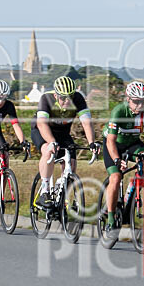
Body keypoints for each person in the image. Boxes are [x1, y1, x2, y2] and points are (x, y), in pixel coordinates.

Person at [103, 80, 144, 238]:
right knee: (115, 177)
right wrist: (117, 159)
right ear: (128, 98)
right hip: (114, 145)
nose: (140, 106)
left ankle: (134, 187)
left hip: (133, 143)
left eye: (143, 101)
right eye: (136, 102)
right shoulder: (119, 111)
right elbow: (110, 141)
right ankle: (111, 220)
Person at [31, 75, 99, 206]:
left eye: (70, 97)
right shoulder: (46, 98)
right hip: (42, 130)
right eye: (63, 98)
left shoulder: (78, 98)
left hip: (62, 132)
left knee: (71, 163)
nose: (67, 101)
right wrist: (52, 141)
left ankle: (61, 197)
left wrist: (91, 143)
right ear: (56, 95)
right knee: (48, 151)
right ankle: (45, 191)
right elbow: (42, 124)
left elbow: (86, 122)